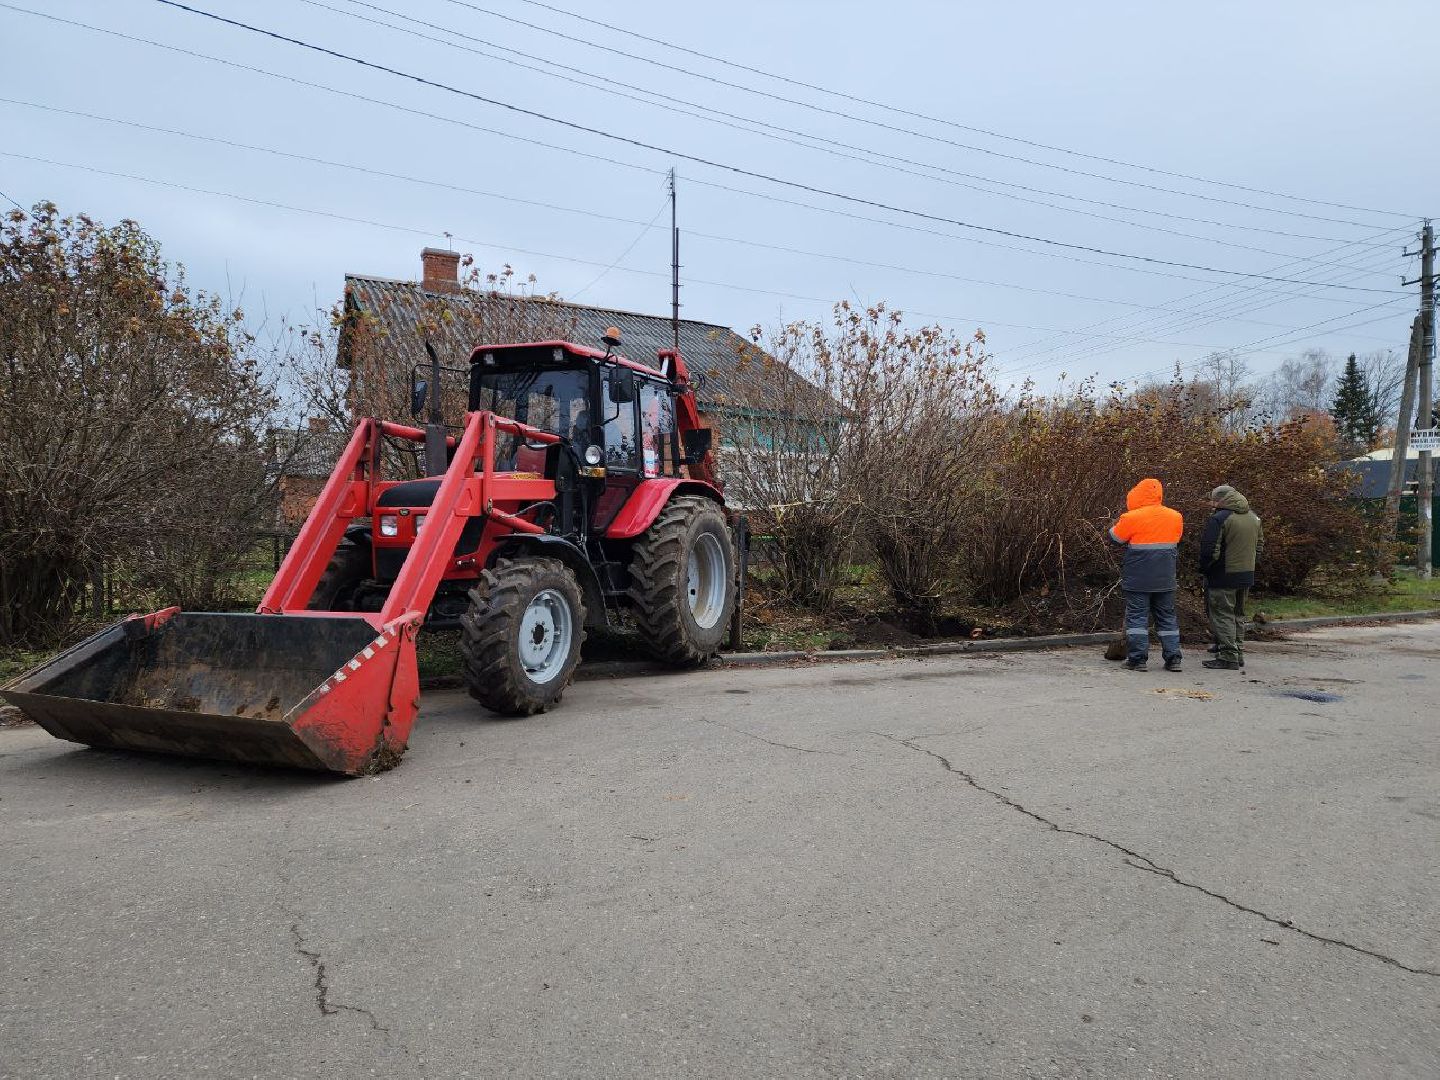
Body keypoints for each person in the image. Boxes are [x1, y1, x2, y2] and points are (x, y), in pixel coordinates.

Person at [1108, 478, 1184, 672]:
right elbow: (1176, 539)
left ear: (1136, 495)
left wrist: (1113, 525)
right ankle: (1173, 659)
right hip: (1165, 578)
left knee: (1137, 618)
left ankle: (1137, 660)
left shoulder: (1131, 517)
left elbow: (1116, 538)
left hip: (1138, 578)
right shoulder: (1175, 516)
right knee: (1167, 618)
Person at [1199, 485, 1263, 671]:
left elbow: (1210, 550)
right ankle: (1238, 653)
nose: (1211, 503)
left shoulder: (1219, 519)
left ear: (1220, 500)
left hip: (1223, 575)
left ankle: (1228, 656)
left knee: (1222, 614)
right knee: (1238, 615)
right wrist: (1249, 565)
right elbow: (1259, 546)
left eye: (1213, 500)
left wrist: (1205, 569)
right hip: (1246, 573)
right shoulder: (1253, 517)